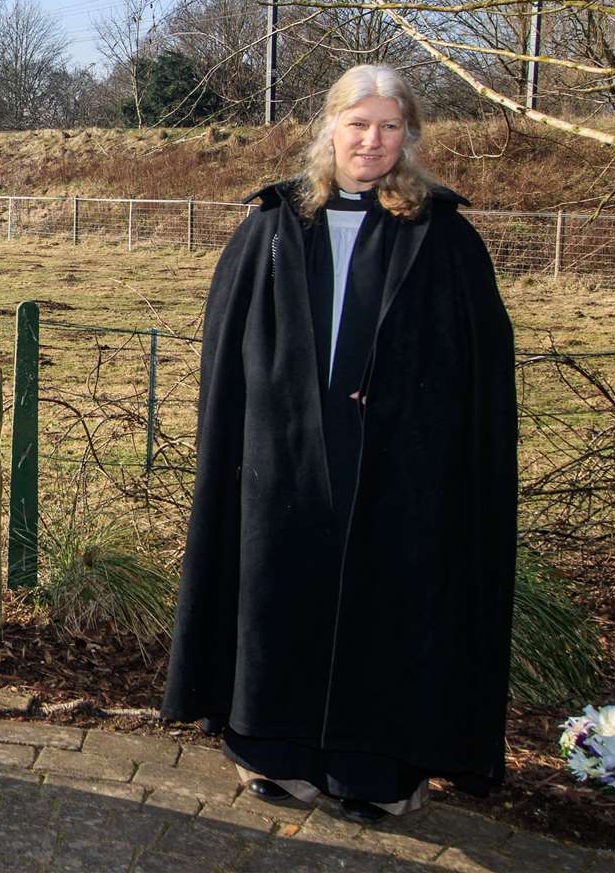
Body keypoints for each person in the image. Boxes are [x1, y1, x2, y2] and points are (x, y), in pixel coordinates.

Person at [162, 65, 517, 823]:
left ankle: (380, 771)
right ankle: (274, 752)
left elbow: (476, 370)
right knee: (279, 597)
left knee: (387, 613)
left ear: (410, 137)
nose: (372, 140)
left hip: (401, 468)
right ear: (329, 128)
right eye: (358, 124)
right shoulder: (274, 225)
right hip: (283, 457)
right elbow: (231, 353)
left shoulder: (442, 237)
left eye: (390, 127)